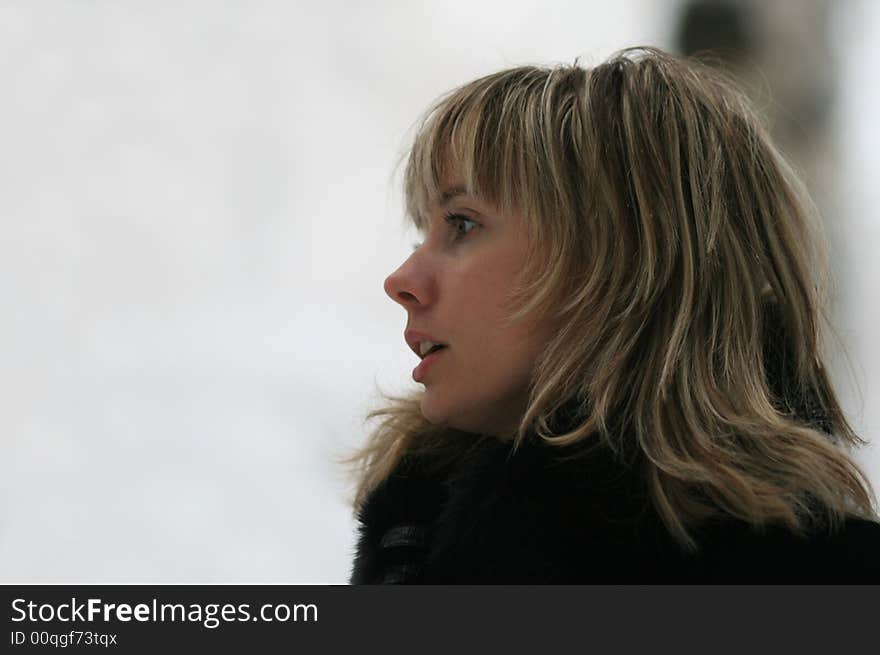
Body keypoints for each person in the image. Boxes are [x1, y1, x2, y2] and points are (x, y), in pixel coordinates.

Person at [348, 47, 880, 583]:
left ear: (622, 262)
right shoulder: (411, 551)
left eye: (462, 224)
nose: (402, 282)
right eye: (423, 232)